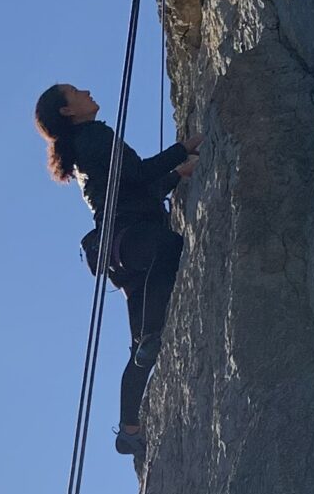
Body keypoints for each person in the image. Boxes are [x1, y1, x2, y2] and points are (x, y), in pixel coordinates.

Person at [34, 83, 197, 459]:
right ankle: (149, 338)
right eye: (76, 92)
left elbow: (131, 188)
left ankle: (129, 430)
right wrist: (182, 149)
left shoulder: (82, 147)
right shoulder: (92, 135)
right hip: (134, 241)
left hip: (124, 251)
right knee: (169, 249)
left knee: (142, 347)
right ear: (67, 111)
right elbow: (138, 175)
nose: (87, 90)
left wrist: (177, 175)